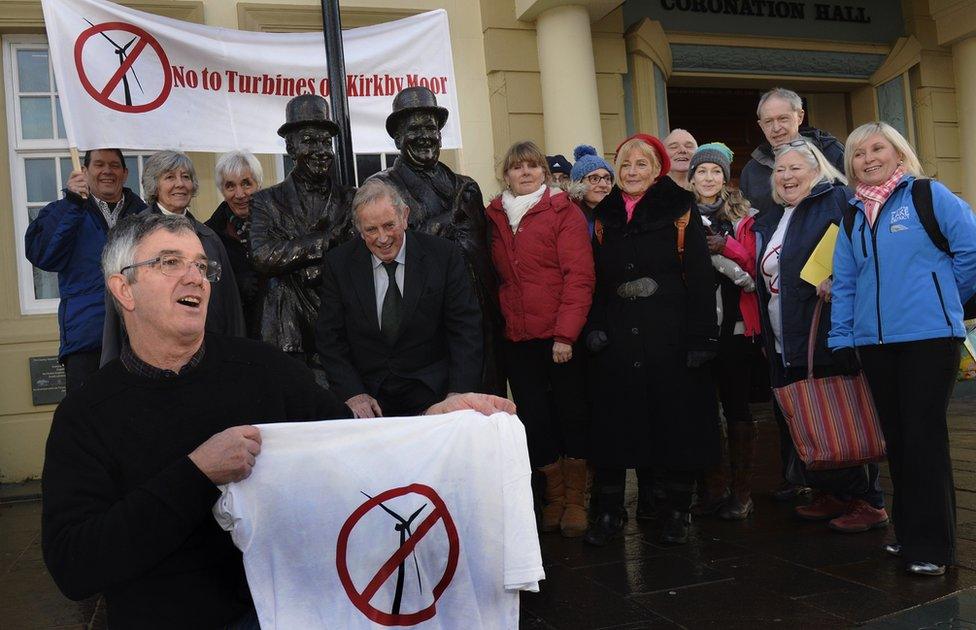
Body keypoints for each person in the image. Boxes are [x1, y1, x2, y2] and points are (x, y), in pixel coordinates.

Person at [41, 212, 515, 628]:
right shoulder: (85, 415)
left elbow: (355, 442)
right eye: (169, 262)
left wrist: (433, 421)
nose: (195, 278)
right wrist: (197, 474)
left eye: (202, 266)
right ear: (123, 288)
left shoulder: (261, 369)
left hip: (277, 614)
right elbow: (74, 567)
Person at [830, 122, 976, 575]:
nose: (868, 158)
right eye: (858, 153)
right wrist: (842, 336)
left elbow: (971, 249)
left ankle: (934, 548)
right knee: (897, 442)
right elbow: (847, 281)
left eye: (878, 148)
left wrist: (943, 295)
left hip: (929, 339)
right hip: (875, 344)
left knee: (923, 438)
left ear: (899, 153)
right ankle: (910, 534)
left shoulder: (928, 195)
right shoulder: (853, 213)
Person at [583, 133, 720, 547]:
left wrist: (701, 338)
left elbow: (699, 275)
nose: (631, 172)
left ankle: (674, 513)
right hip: (619, 337)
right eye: (625, 164)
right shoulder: (604, 215)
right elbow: (592, 280)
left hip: (671, 335)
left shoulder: (679, 208)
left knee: (675, 424)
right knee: (614, 426)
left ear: (658, 169)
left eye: (641, 164)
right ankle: (608, 513)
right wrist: (594, 327)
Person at [752, 139, 887, 532]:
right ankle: (829, 492)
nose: (787, 176)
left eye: (796, 168)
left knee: (842, 412)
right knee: (810, 416)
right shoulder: (774, 216)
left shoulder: (838, 199)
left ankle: (867, 501)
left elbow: (867, 249)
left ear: (817, 170)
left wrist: (840, 277)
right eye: (780, 170)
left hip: (827, 330)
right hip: (786, 336)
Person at [486, 141, 595, 538]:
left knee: (572, 413)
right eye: (517, 167)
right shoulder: (495, 215)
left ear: (544, 173)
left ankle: (576, 500)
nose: (526, 172)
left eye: (533, 166)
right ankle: (554, 496)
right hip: (517, 337)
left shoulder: (563, 211)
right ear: (507, 175)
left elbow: (579, 276)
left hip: (559, 336)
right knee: (534, 416)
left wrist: (565, 334)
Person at [369, 86, 503, 395]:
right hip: (424, 315)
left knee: (485, 400)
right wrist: (446, 220)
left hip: (479, 313)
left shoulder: (465, 186)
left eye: (431, 127)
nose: (425, 135)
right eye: (413, 129)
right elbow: (390, 244)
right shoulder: (382, 187)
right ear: (397, 138)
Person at [315, 178, 483, 418]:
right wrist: (353, 394)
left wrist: (457, 394)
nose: (382, 238)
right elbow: (330, 337)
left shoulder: (443, 257)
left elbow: (466, 330)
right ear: (359, 230)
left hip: (432, 391)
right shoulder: (339, 264)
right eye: (371, 230)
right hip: (369, 397)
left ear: (405, 216)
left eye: (389, 225)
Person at [249, 94, 356, 387]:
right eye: (309, 141)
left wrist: (301, 261)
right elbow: (262, 256)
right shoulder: (266, 201)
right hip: (289, 331)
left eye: (325, 142)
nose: (320, 150)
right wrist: (327, 240)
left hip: (341, 327)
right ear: (290, 147)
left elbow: (356, 255)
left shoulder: (352, 199)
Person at [100, 150, 245, 364]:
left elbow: (230, 307)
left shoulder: (210, 238)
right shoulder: (131, 236)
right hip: (149, 361)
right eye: (169, 177)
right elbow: (115, 314)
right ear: (154, 185)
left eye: (185, 177)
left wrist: (238, 359)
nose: (180, 184)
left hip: (209, 360)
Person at [24, 149, 146, 392]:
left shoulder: (144, 215)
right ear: (84, 171)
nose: (107, 171)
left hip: (140, 336)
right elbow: (43, 255)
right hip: (88, 338)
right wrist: (72, 204)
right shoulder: (65, 209)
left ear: (125, 172)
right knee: (87, 421)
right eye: (99, 164)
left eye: (114, 165)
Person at [686, 142, 764, 521]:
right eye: (701, 171)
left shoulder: (745, 216)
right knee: (703, 408)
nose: (708, 178)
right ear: (691, 177)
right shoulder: (681, 217)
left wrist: (725, 245)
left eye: (715, 171)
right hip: (697, 327)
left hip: (736, 326)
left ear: (725, 177)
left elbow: (755, 264)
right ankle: (713, 489)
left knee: (736, 404)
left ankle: (743, 492)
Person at [740, 88, 845, 217]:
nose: (776, 128)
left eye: (783, 119)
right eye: (768, 121)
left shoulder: (830, 152)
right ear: (761, 125)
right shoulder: (752, 171)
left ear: (800, 117)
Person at [205, 151, 263, 338]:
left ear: (258, 184)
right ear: (222, 190)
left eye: (246, 183)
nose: (240, 194)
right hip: (233, 333)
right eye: (230, 186)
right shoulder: (209, 234)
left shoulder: (280, 225)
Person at [569, 144, 614, 236]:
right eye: (594, 179)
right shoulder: (568, 218)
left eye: (607, 178)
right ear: (578, 184)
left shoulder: (621, 215)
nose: (603, 184)